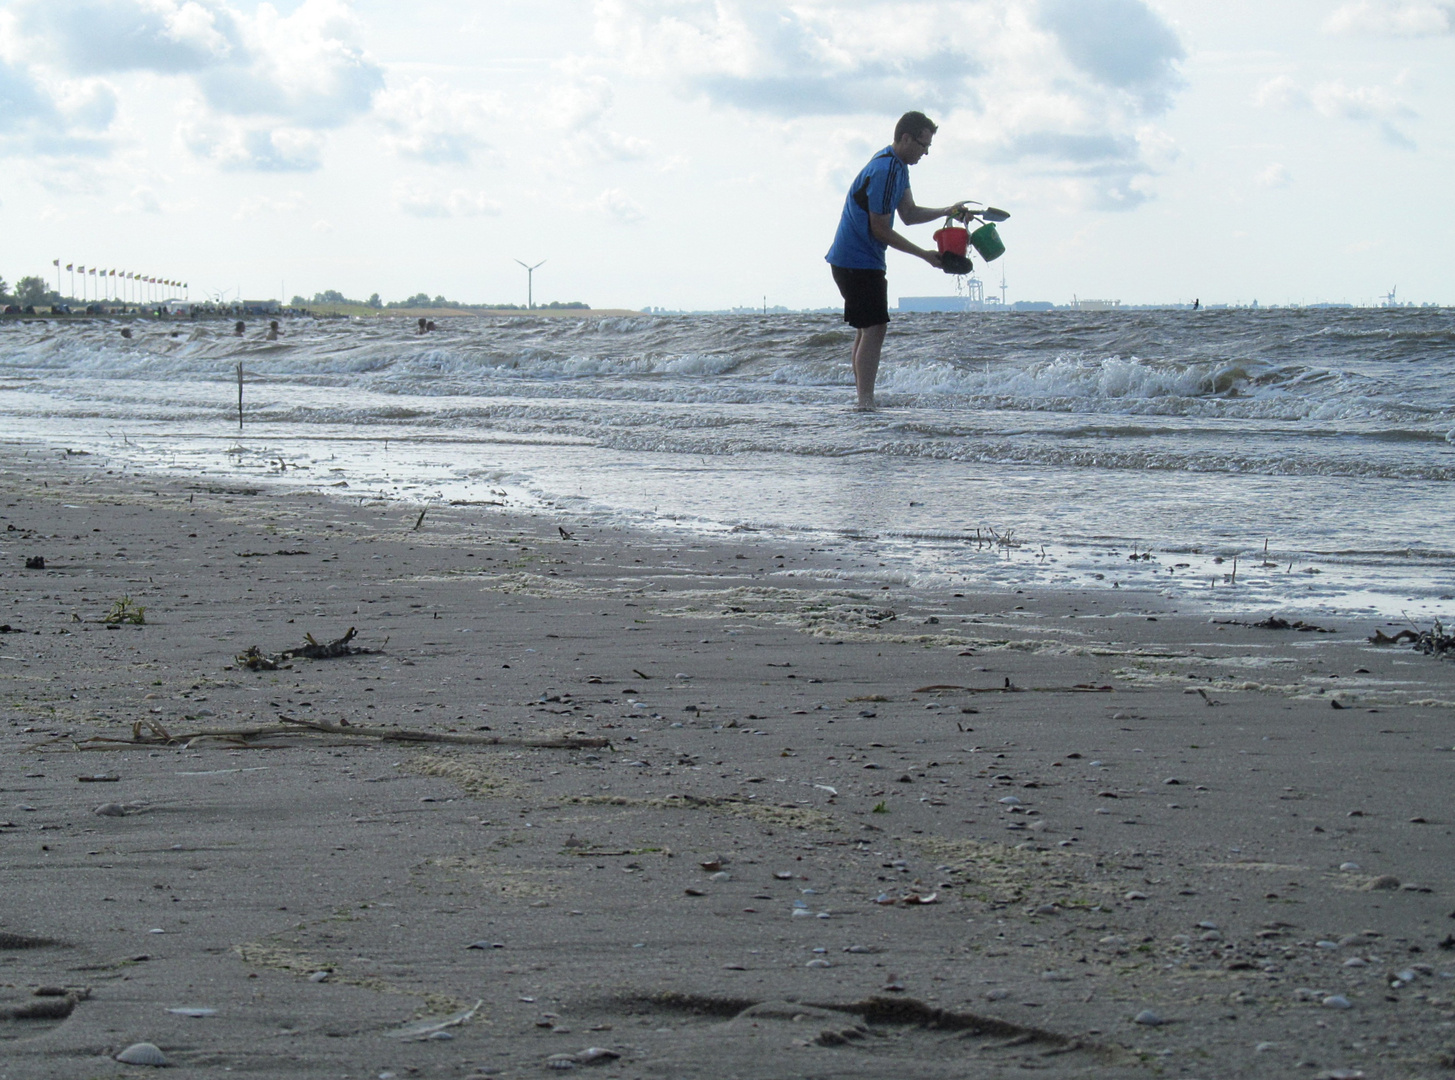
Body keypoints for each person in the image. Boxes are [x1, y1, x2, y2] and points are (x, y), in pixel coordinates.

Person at [826, 111, 969, 410]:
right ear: (905, 138)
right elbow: (880, 229)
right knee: (875, 327)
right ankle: (865, 402)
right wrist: (925, 256)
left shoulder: (898, 167)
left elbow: (909, 214)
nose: (925, 152)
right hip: (857, 260)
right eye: (922, 144)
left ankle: (863, 399)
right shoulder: (887, 169)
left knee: (868, 328)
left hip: (854, 260)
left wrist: (947, 211)